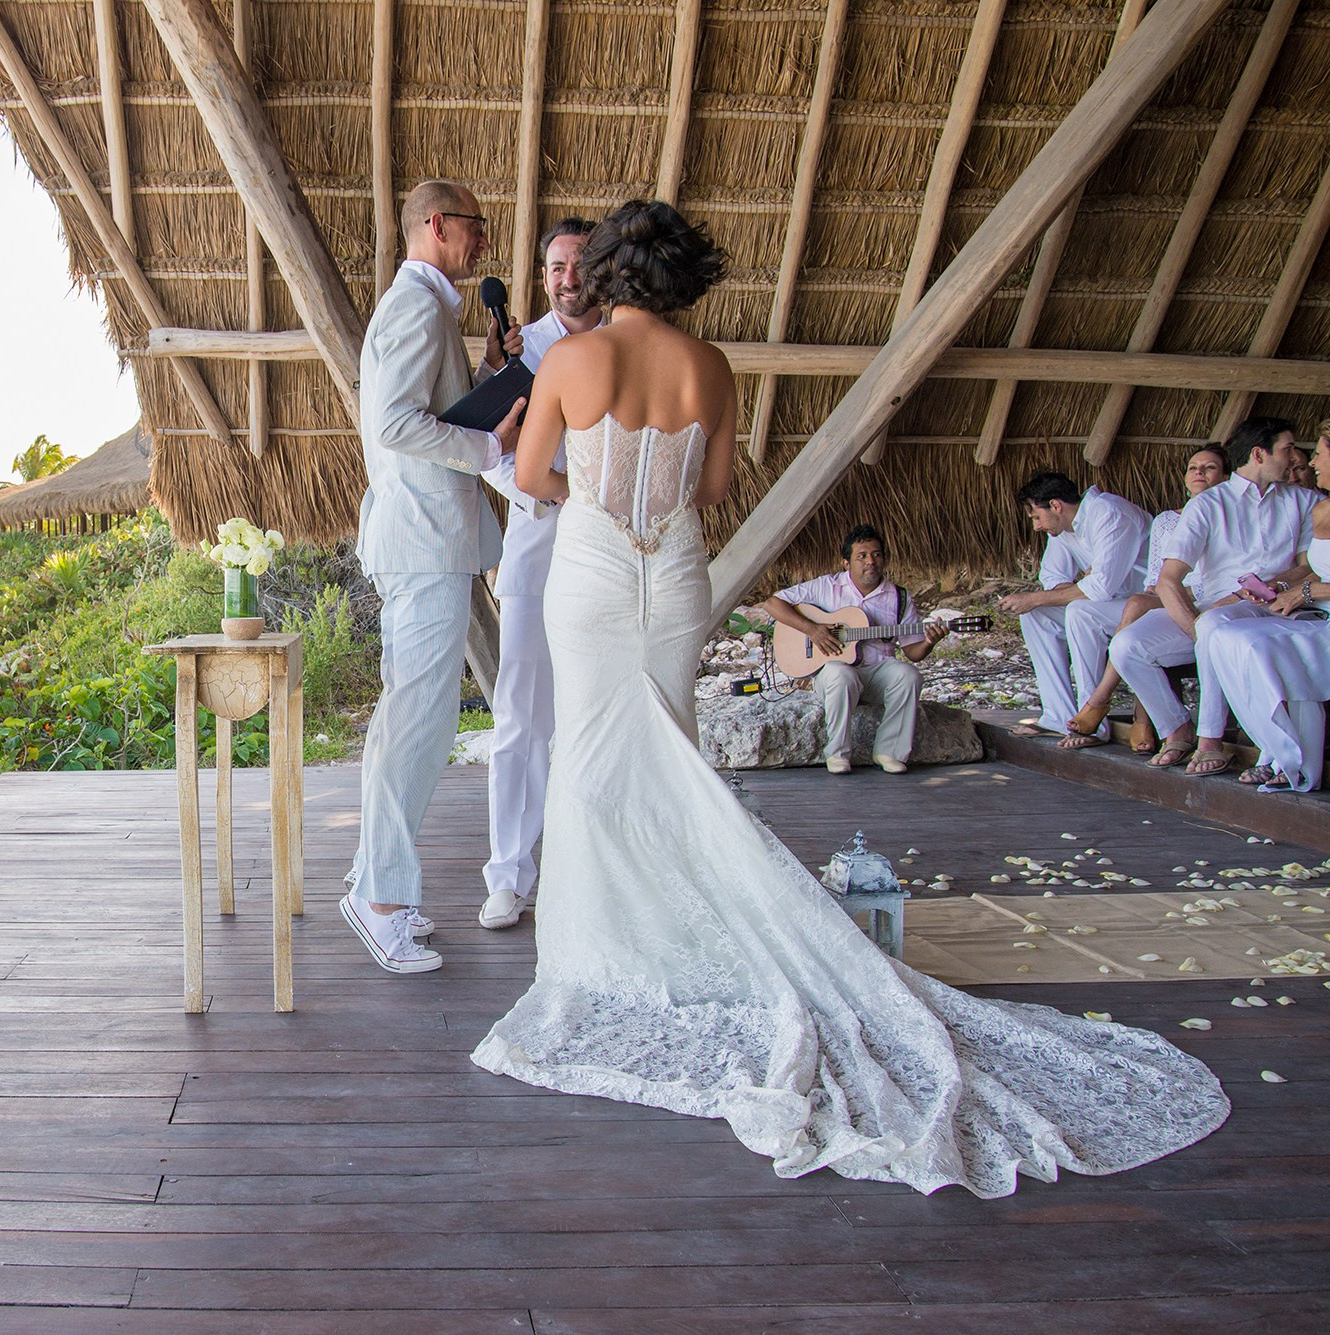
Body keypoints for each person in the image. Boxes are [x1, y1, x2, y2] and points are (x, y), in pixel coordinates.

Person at [471, 198, 1227, 1198]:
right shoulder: (710, 369)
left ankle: (605, 946)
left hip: (595, 573)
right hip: (675, 578)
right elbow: (709, 491)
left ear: (606, 273)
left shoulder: (568, 362)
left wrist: (554, 455)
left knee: (596, 756)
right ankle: (686, 928)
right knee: (672, 750)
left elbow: (531, 477)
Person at [339, 179, 528, 975]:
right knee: (419, 725)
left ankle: (373, 879)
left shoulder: (426, 309)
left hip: (417, 539)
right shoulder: (416, 306)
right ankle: (380, 899)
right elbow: (393, 424)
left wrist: (486, 380)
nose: (484, 242)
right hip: (422, 541)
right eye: (477, 228)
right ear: (439, 226)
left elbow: (429, 409)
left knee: (405, 722)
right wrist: (490, 449)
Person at [478, 218, 601, 931]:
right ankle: (509, 876)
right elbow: (492, 453)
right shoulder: (519, 354)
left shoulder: (622, 345)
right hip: (534, 547)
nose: (567, 276)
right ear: (543, 275)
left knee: (593, 711)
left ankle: (586, 870)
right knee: (520, 714)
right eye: (556, 265)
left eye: (579, 263)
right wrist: (550, 488)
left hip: (606, 555)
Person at [1109, 417, 1317, 776]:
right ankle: (1177, 727)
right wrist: (1195, 631)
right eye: (1286, 449)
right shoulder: (1208, 505)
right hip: (1214, 609)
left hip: (1272, 608)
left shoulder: (1303, 501)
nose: (1296, 458)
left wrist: (1271, 585)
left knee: (1215, 625)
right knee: (1127, 645)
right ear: (1259, 454)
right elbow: (1168, 580)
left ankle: (1210, 741)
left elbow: (1307, 567)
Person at [1063, 445, 1230, 752]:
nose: (1199, 473)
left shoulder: (1228, 519)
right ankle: (1137, 715)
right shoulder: (1167, 520)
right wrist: (1162, 591)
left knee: (1137, 606)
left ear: (1227, 477)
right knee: (1128, 605)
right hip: (1168, 597)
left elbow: (1219, 579)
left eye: (1209, 468)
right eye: (1193, 468)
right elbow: (1155, 578)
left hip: (1206, 601)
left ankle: (1103, 702)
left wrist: (1171, 591)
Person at [1202, 422, 1330, 792]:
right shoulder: (1321, 509)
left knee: (1259, 645)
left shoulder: (1309, 504)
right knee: (1225, 635)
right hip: (1318, 613)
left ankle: (1290, 761)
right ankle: (1276, 749)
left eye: (1319, 453)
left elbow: (1313, 581)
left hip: (1318, 613)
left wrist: (1303, 593)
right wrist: (1285, 588)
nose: (1309, 461)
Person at [761, 525, 947, 774]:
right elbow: (773, 603)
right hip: (834, 675)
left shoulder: (899, 597)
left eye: (877, 554)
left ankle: (889, 752)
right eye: (862, 555)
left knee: (908, 675)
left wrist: (929, 641)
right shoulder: (825, 587)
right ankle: (837, 754)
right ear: (846, 563)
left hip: (878, 672)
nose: (871, 561)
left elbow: (913, 651)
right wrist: (812, 629)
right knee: (841, 673)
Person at [998, 472, 1150, 748]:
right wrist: (1045, 597)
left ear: (1055, 506)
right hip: (1111, 605)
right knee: (1036, 614)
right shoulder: (1063, 529)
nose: (1036, 526)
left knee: (1080, 611)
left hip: (1147, 607)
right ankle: (1058, 715)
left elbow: (1101, 588)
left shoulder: (1109, 513)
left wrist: (1045, 595)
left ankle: (1093, 722)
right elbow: (1052, 580)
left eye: (1035, 517)